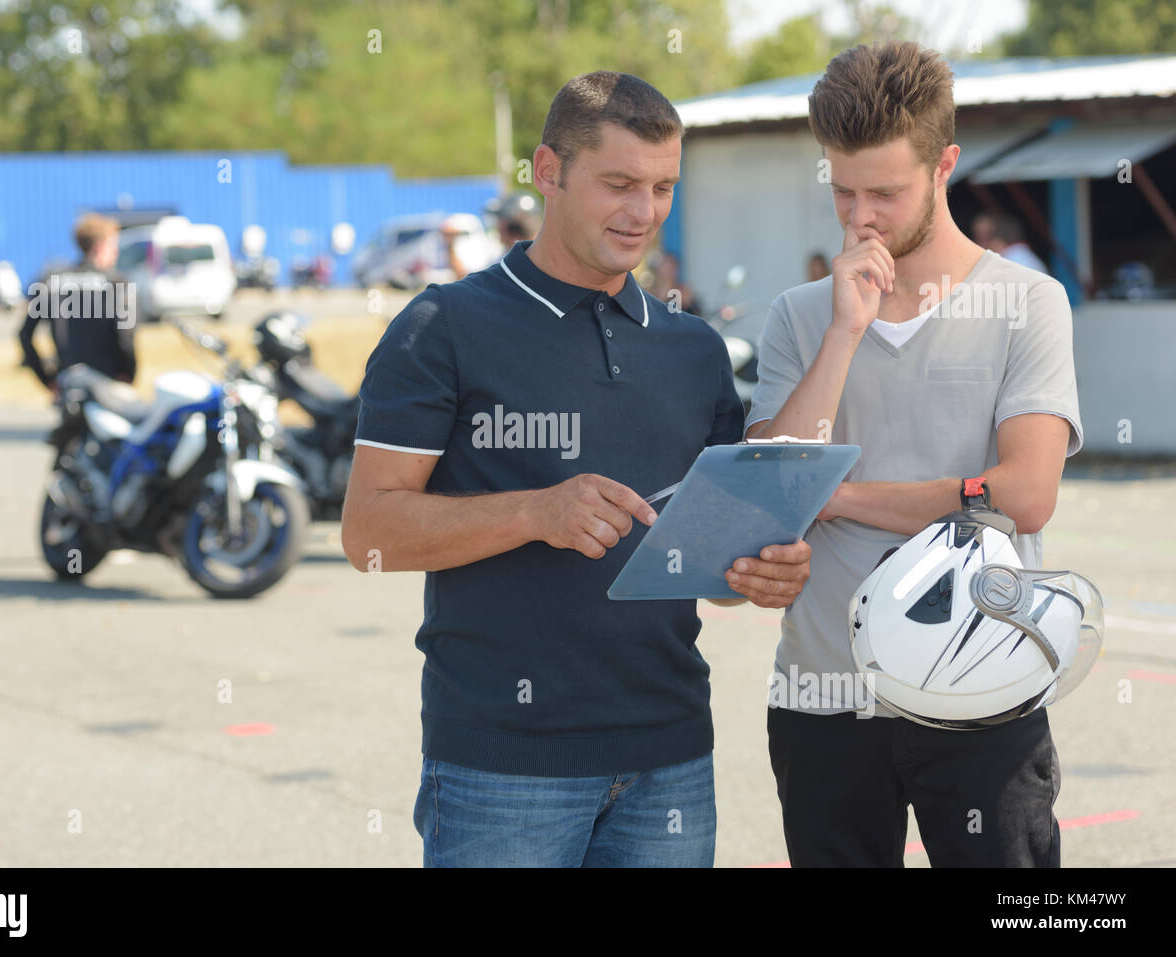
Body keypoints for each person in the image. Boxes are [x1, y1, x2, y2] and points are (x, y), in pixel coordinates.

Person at [342, 71, 812, 868]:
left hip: (670, 757)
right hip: (502, 764)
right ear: (549, 170)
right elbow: (368, 532)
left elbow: (709, 564)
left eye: (663, 187)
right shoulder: (442, 326)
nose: (644, 213)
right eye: (620, 184)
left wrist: (759, 568)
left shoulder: (693, 350)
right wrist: (532, 512)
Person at [747, 40, 1082, 867]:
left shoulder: (1027, 302)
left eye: (886, 193)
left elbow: (1027, 493)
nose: (862, 217)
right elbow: (766, 495)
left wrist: (844, 496)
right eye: (844, 190)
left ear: (945, 165)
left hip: (983, 693)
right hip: (823, 698)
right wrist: (844, 332)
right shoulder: (800, 316)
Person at [19, 213, 136, 392]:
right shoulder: (117, 283)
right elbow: (126, 336)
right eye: (113, 248)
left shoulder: (49, 281)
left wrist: (47, 379)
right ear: (99, 247)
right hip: (108, 382)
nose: (116, 254)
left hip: (67, 383)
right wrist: (128, 373)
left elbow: (25, 335)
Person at [972, 211, 1048, 273]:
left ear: (998, 240)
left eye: (984, 237)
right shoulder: (1024, 257)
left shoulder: (1010, 264)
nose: (979, 244)